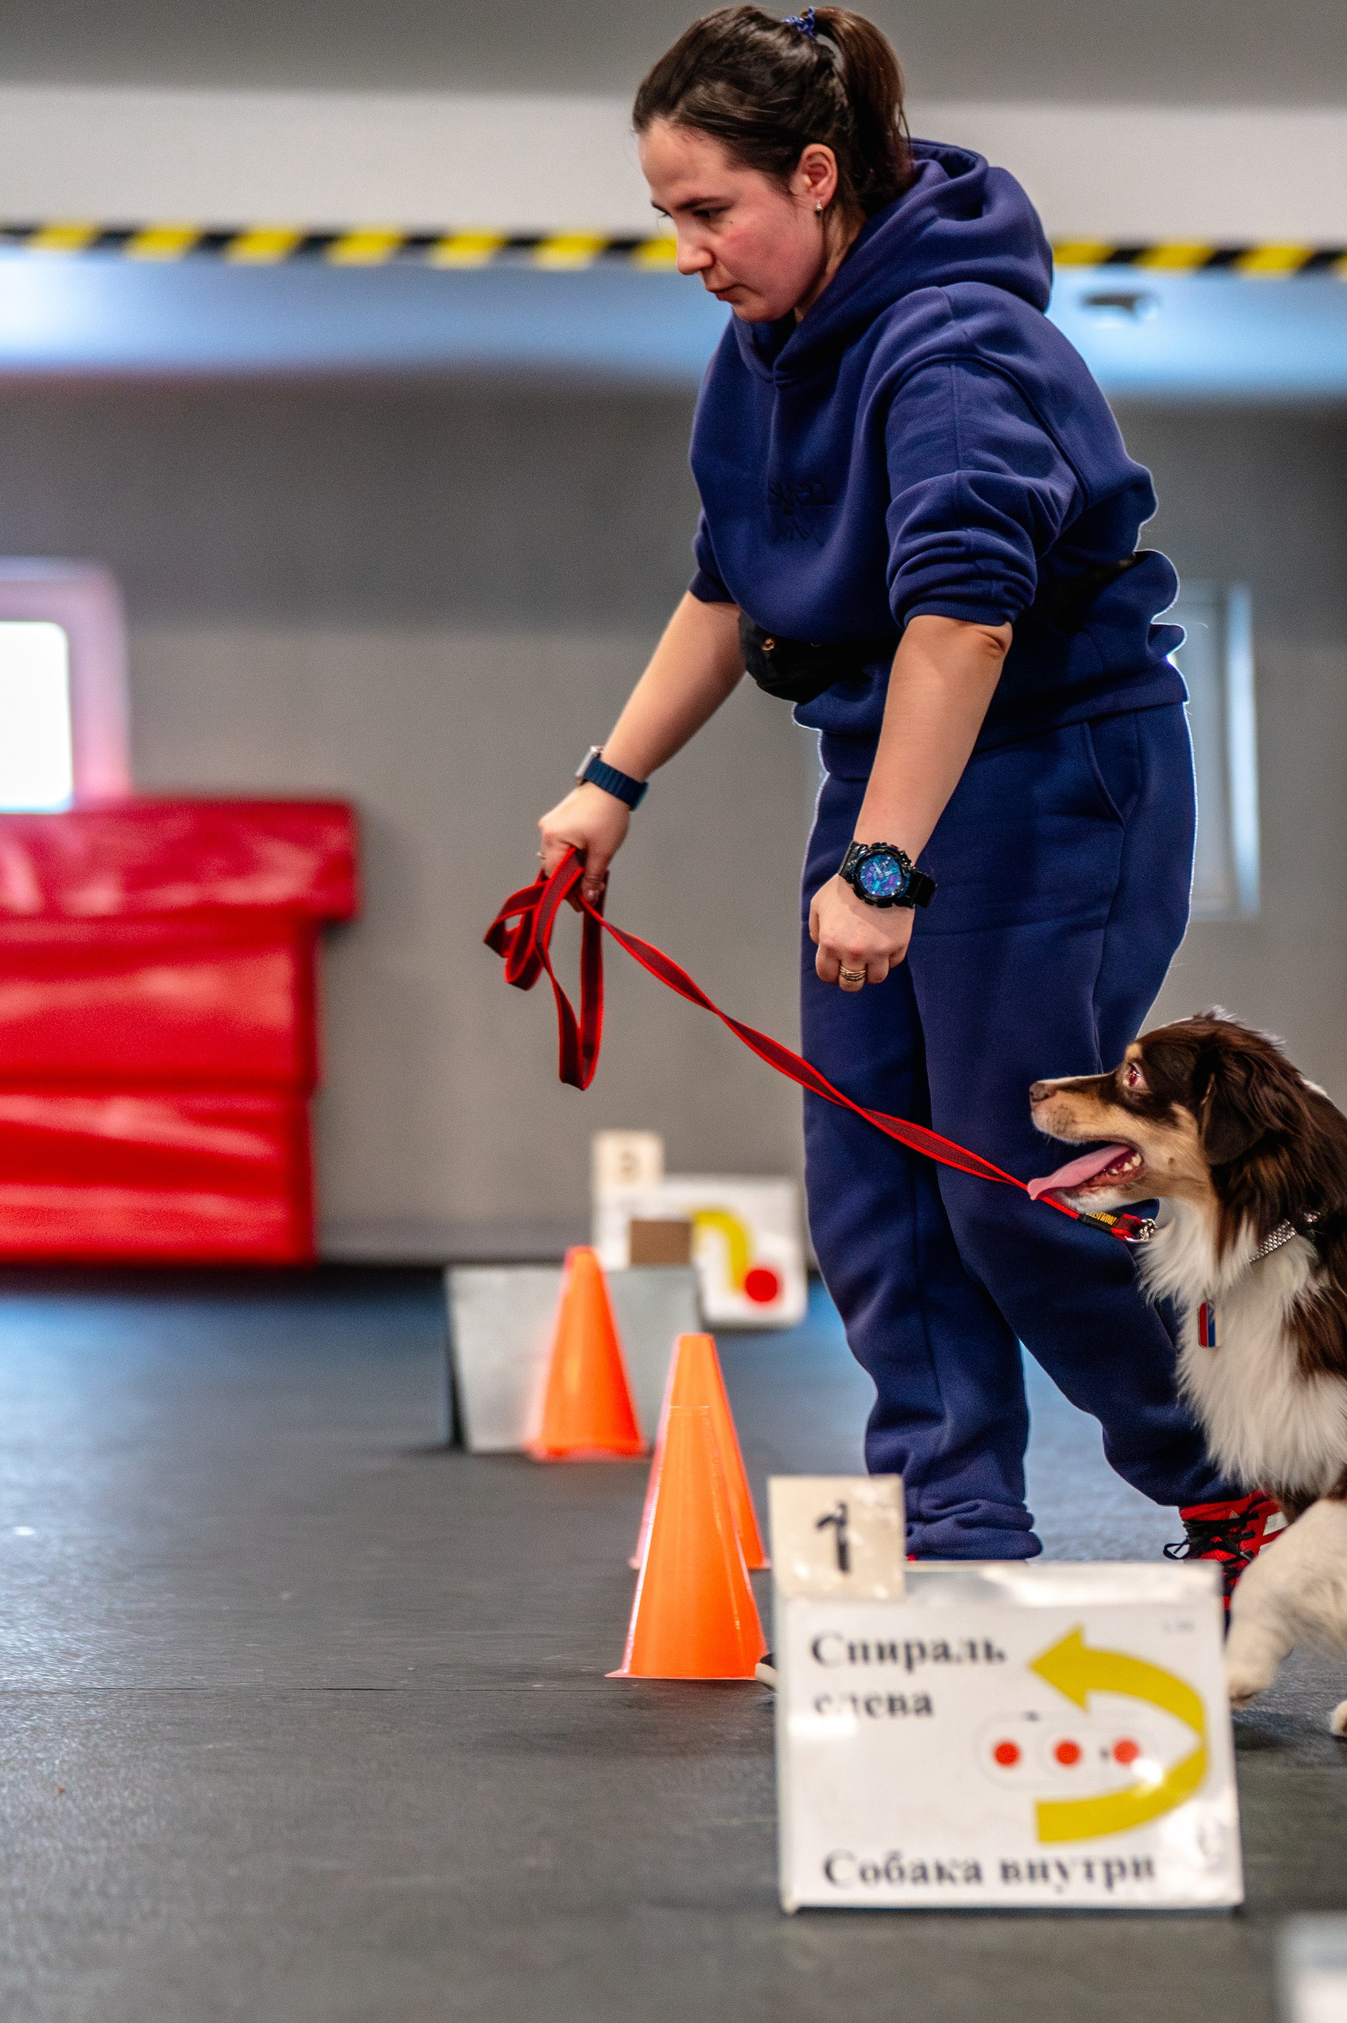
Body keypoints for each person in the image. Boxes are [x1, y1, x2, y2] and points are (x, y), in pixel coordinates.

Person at [537, 4, 1281, 1588]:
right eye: (667, 217)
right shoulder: (763, 360)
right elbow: (730, 590)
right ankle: (955, 1532)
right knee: (875, 1182)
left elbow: (967, 620)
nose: (687, 252)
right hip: (900, 770)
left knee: (1018, 1184)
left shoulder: (958, 349)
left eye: (709, 211)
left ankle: (1251, 1487)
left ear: (815, 178)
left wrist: (883, 868)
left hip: (1056, 770)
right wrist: (611, 784)